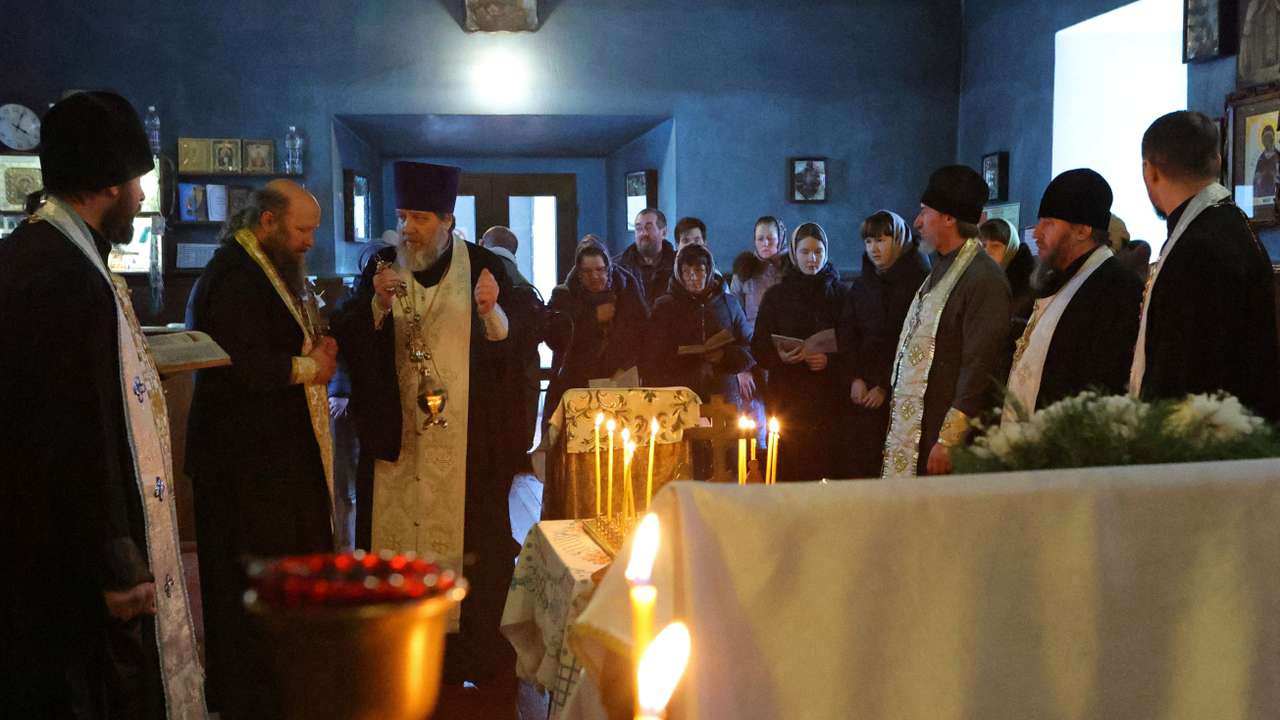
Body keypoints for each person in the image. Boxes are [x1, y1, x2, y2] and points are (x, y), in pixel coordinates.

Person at [0, 91, 205, 719]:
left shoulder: (42, 254)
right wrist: (114, 559)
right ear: (107, 184)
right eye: (137, 183)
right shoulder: (63, 278)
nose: (142, 198)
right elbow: (67, 430)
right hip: (65, 561)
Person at [328, 161, 526, 701]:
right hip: (399, 440)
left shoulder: (486, 267)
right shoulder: (381, 265)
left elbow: (524, 341)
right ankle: (394, 649)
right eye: (402, 216)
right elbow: (346, 330)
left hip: (467, 444)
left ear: (447, 218)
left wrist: (492, 315)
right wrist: (376, 304)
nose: (408, 227)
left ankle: (469, 658)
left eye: (419, 217)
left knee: (475, 553)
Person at [185, 179, 336, 718]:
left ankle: (279, 685)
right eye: (302, 229)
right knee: (250, 577)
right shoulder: (232, 275)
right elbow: (240, 361)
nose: (309, 241)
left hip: (268, 457)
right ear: (267, 222)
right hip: (243, 463)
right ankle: (254, 696)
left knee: (276, 571)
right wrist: (312, 367)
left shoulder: (264, 267)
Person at [1132, 110, 1280, 421]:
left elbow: (1182, 371)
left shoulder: (1197, 247)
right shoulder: (1226, 225)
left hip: (1202, 450)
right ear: (1217, 160)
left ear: (1150, 171)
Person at [883, 165, 1011, 477]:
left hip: (946, 441)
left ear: (949, 218)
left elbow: (980, 364)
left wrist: (949, 439)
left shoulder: (984, 278)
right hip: (922, 430)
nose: (917, 222)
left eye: (925, 212)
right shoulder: (941, 268)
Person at [1003, 169, 1143, 421]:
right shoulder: (1055, 280)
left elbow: (1102, 386)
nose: (1036, 233)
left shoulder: (1117, 289)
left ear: (1082, 230)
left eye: (1049, 223)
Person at [751, 222, 847, 481]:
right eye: (805, 252)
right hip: (787, 395)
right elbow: (759, 345)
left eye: (818, 251)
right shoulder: (776, 296)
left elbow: (852, 344)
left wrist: (829, 361)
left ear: (826, 252)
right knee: (788, 468)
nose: (812, 258)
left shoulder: (841, 294)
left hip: (829, 398)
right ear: (794, 254)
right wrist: (779, 357)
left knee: (827, 470)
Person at [837, 210, 930, 478]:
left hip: (900, 392)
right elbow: (847, 333)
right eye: (868, 242)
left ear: (898, 239)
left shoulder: (918, 279)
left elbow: (912, 339)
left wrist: (883, 386)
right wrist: (853, 377)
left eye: (881, 240)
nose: (874, 249)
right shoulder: (864, 282)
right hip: (862, 389)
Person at [544, 237, 649, 419]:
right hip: (578, 380)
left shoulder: (626, 288)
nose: (594, 276)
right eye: (587, 271)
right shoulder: (564, 295)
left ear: (608, 268)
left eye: (600, 270)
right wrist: (592, 319)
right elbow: (555, 337)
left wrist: (626, 365)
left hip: (621, 375)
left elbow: (643, 332)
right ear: (579, 273)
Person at [642, 243, 753, 406]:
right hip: (679, 395)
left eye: (699, 271)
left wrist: (724, 356)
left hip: (723, 394)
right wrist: (685, 358)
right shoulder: (664, 307)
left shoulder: (729, 304)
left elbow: (748, 346)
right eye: (686, 272)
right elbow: (652, 355)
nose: (693, 277)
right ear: (679, 274)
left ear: (708, 271)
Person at [480, 225, 545, 456]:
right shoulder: (527, 289)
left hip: (482, 384)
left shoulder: (477, 279)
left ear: (481, 244)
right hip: (519, 385)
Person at [730, 216, 791, 433]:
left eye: (770, 239)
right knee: (752, 420)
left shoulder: (791, 269)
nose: (765, 244)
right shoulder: (745, 271)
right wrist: (741, 366)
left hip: (783, 351)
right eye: (760, 239)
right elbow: (733, 316)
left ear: (780, 238)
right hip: (751, 350)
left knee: (782, 417)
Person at [979, 218, 1034, 382]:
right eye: (983, 246)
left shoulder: (1026, 284)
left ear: (1010, 248)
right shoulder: (985, 277)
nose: (987, 252)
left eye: (995, 246)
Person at [616, 207, 676, 307]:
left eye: (648, 228)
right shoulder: (619, 266)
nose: (643, 233)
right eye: (638, 228)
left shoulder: (677, 266)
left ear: (664, 232)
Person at [1254, 124, 1278, 201]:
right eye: (1265, 138)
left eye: (1269, 137)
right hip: (1262, 197)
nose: (1267, 140)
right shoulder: (1260, 159)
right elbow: (1256, 180)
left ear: (1273, 138)